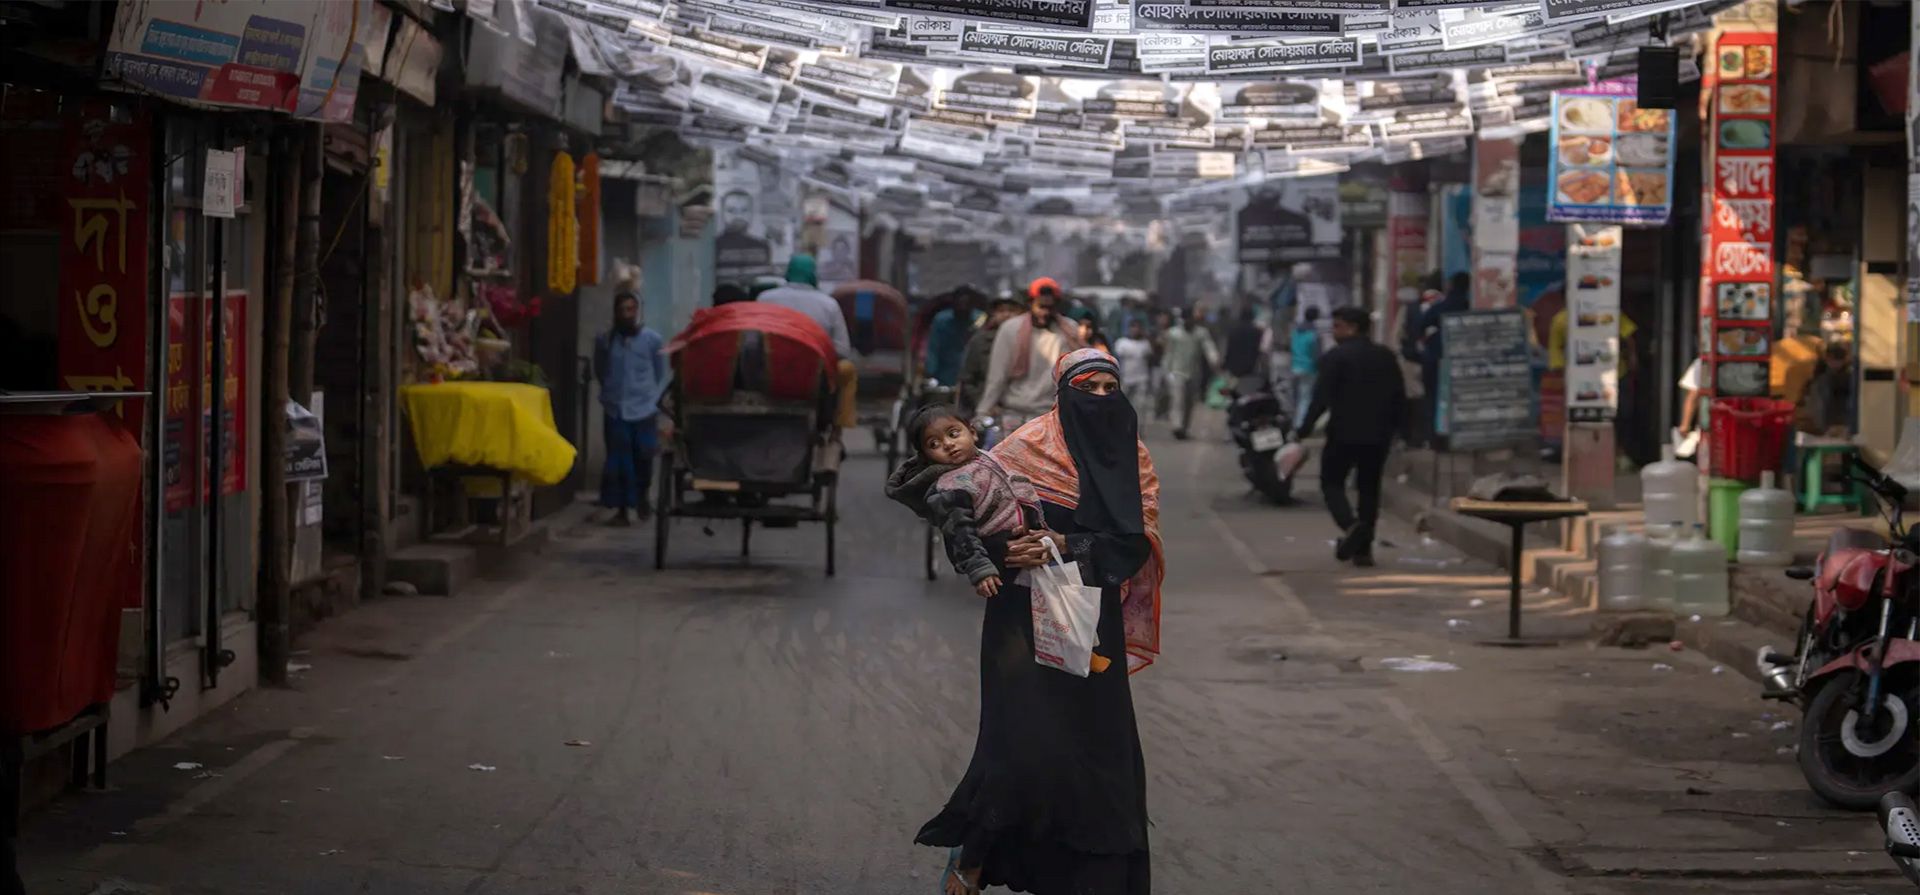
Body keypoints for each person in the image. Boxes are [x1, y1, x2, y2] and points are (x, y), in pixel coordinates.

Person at [915, 348, 1162, 895]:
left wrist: (1067, 543)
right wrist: (1007, 551)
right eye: (1087, 388)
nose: (1100, 399)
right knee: (1021, 737)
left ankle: (1096, 876)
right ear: (1061, 393)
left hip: (1091, 620)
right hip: (1020, 618)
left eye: (1110, 389)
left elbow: (1134, 544)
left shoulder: (1134, 458)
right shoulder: (1022, 449)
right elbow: (964, 520)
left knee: (1096, 742)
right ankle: (976, 855)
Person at [886, 406, 1041, 600]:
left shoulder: (986, 457)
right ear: (926, 456)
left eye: (953, 434)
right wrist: (980, 569)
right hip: (999, 551)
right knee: (1010, 607)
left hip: (1024, 538)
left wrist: (1034, 521)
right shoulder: (951, 486)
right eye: (934, 444)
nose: (948, 444)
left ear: (972, 433)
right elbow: (960, 532)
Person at [1299, 307, 1406, 567]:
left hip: (1343, 433)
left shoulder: (1335, 357)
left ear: (1352, 328)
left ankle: (1351, 526)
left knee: (1331, 483)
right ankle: (1363, 550)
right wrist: (1402, 431)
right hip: (1379, 435)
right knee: (1369, 489)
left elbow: (1320, 398)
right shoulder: (1385, 356)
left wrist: (1304, 429)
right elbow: (1399, 396)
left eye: (1337, 326)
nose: (1333, 332)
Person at [593, 292, 670, 525]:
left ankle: (642, 497)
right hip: (616, 409)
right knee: (619, 461)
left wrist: (649, 396)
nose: (626, 314)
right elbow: (601, 370)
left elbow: (659, 371)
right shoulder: (605, 341)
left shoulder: (652, 340)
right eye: (622, 310)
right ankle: (622, 510)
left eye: (630, 309)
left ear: (637, 311)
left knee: (644, 457)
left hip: (644, 409)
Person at [758, 254, 860, 430]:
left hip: (770, 372)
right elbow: (842, 350)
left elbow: (753, 340)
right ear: (813, 274)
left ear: (788, 272)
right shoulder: (829, 304)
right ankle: (839, 426)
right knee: (848, 370)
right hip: (815, 376)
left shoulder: (765, 299)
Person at [975, 278, 1083, 430]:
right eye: (1041, 307)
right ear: (1030, 304)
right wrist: (982, 412)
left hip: (1053, 416)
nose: (1045, 312)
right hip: (1016, 415)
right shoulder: (1011, 329)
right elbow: (997, 375)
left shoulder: (1069, 331)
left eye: (1050, 307)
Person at [1160, 308, 1219, 440]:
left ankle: (1184, 428)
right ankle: (1177, 426)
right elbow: (1168, 353)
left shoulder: (1201, 333)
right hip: (1176, 372)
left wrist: (1214, 359)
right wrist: (1166, 371)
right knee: (1177, 400)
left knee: (1189, 402)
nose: (1187, 321)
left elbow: (1208, 347)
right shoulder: (1173, 333)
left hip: (1193, 372)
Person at [959, 296, 1023, 412]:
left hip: (1022, 406)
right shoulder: (980, 341)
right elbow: (968, 380)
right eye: (1001, 311)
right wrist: (984, 403)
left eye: (1011, 310)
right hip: (987, 408)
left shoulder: (1030, 340)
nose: (1006, 315)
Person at [1796, 342, 1854, 437]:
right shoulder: (1824, 377)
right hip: (1830, 420)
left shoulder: (1841, 377)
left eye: (1836, 359)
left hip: (1833, 420)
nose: (1834, 363)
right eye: (1831, 359)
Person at [926, 290, 974, 387]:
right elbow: (933, 347)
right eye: (960, 304)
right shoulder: (941, 320)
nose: (963, 308)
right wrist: (930, 372)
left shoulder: (979, 319)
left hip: (971, 372)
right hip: (945, 372)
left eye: (966, 304)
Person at [1220, 306, 1267, 395]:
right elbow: (1259, 350)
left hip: (1235, 369)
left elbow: (1229, 350)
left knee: (1234, 392)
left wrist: (1225, 365)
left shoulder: (1233, 331)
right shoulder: (1257, 332)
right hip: (1251, 369)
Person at [1289, 306, 1322, 429]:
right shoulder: (1314, 335)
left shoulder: (1296, 332)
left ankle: (1294, 421)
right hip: (1309, 368)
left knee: (1296, 397)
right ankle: (1300, 424)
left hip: (1295, 366)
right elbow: (1316, 354)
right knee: (1306, 397)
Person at [1111, 319, 1155, 409]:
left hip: (1142, 378)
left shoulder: (1145, 343)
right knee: (1122, 403)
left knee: (1139, 405)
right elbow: (1115, 359)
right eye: (1133, 327)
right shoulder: (1122, 342)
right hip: (1125, 377)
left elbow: (1150, 359)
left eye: (1138, 327)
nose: (1135, 330)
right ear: (1129, 328)